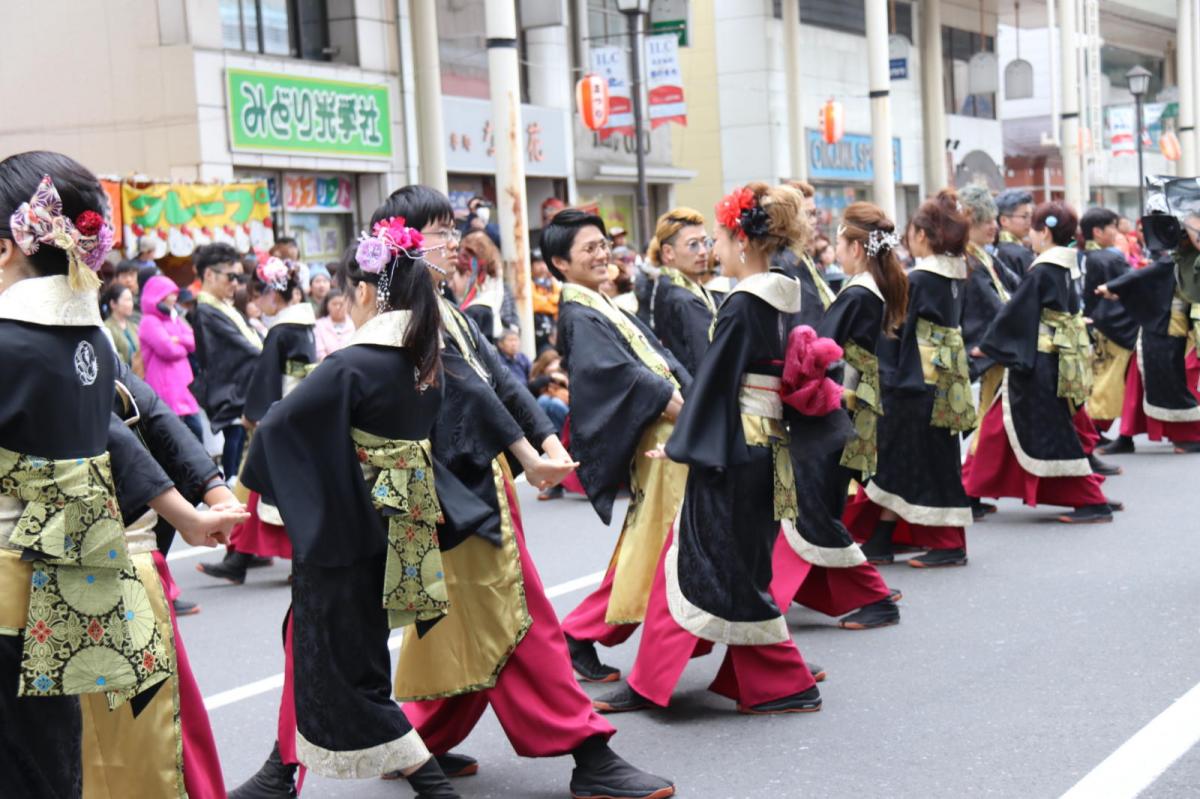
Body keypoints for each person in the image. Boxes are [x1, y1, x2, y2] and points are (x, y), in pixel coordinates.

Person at [344, 187, 673, 799]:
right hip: (447, 499)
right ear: (409, 245)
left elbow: (501, 379)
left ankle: (413, 743)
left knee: (470, 622)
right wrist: (530, 450)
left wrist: (545, 442)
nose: (454, 241)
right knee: (520, 621)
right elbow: (470, 393)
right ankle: (588, 751)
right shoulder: (404, 321)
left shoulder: (450, 310)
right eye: (440, 232)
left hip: (475, 489)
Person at [0, 150, 243, 799]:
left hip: (10, 579)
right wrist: (192, 511)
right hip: (73, 580)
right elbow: (114, 431)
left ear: (5, 248)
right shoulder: (88, 339)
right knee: (51, 758)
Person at [232, 217, 468, 799]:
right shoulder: (422, 360)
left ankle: (431, 784)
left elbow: (277, 427)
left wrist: (262, 493)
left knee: (346, 670)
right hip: (402, 525)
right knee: (330, 649)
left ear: (364, 291)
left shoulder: (353, 363)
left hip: (351, 526)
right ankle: (280, 768)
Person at [592, 183, 826, 717]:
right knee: (734, 565)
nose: (715, 248)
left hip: (736, 444)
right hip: (765, 442)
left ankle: (665, 683)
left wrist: (682, 444)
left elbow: (718, 378)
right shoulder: (783, 292)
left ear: (742, 240)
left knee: (694, 562)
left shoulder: (744, 302)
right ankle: (772, 680)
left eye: (719, 237)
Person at [551, 209, 693, 683]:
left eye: (602, 246)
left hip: (671, 428)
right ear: (560, 263)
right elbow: (620, 375)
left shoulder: (597, 303)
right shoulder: (578, 312)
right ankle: (580, 633)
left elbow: (656, 356)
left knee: (661, 544)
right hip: (662, 437)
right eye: (588, 249)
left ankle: (584, 634)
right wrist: (678, 406)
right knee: (661, 545)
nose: (601, 254)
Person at [768, 202, 908, 630]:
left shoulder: (858, 292)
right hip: (855, 399)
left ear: (856, 248)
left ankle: (875, 595)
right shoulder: (880, 286)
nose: (838, 251)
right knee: (819, 501)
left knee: (813, 505)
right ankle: (806, 587)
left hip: (832, 403)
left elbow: (821, 350)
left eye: (843, 243)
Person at [962, 202, 1120, 524]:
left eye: (1034, 229)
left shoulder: (1043, 267)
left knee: (1031, 432)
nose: (1031, 236)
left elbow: (1017, 311)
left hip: (1037, 363)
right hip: (1053, 358)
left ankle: (1092, 500)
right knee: (999, 428)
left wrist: (990, 346)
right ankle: (968, 493)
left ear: (1044, 232)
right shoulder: (1066, 264)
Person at [843, 190, 976, 568]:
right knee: (920, 460)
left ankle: (946, 542)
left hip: (916, 382)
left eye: (913, 232)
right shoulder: (956, 275)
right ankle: (884, 538)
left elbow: (898, 331)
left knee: (910, 460)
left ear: (923, 234)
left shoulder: (918, 279)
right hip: (945, 380)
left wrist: (881, 374)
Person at [199, 257, 316, 585]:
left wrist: (253, 414)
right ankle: (240, 558)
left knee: (262, 487)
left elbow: (267, 377)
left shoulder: (281, 329)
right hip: (298, 414)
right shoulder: (305, 324)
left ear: (273, 295)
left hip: (280, 416)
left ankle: (248, 559)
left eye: (258, 294)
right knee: (256, 488)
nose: (255, 301)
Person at [1095, 203, 1200, 454]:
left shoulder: (1186, 260)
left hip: (1179, 331)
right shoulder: (1176, 260)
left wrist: (1115, 287)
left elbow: (1143, 277)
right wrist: (1115, 287)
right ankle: (1128, 434)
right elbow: (1144, 277)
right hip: (1162, 329)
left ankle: (1185, 435)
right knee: (1141, 382)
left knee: (1173, 383)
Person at [958, 185, 1023, 518]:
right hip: (989, 351)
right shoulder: (968, 261)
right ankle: (968, 485)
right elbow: (995, 309)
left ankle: (974, 485)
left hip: (997, 349)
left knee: (991, 422)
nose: (994, 227)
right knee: (988, 421)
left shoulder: (983, 256)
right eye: (987, 222)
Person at [191, 242, 261, 480]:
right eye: (231, 277)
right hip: (235, 396)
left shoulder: (221, 307)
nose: (236, 283)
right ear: (209, 274)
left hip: (243, 393)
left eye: (238, 277)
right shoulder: (205, 312)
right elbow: (241, 351)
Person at [1078, 208, 1141, 450]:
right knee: (1110, 381)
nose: (1116, 232)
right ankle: (1095, 430)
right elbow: (1131, 286)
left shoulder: (1086, 257)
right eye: (1112, 227)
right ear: (1097, 231)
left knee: (1103, 378)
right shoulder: (1109, 258)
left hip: (1098, 325)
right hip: (1115, 328)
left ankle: (1097, 430)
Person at [645, 207, 718, 376]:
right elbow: (706, 363)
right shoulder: (684, 299)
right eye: (693, 245)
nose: (703, 251)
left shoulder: (666, 286)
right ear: (668, 252)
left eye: (705, 242)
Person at [139, 275, 204, 441]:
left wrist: (178, 340)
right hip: (166, 387)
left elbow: (194, 340)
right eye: (170, 293)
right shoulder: (149, 321)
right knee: (179, 438)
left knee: (196, 432)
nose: (174, 297)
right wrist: (183, 347)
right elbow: (167, 349)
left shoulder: (175, 318)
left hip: (184, 386)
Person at [774, 180, 836, 327]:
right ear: (788, 218)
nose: (814, 221)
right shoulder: (784, 262)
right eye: (807, 214)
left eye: (815, 213)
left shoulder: (801, 256)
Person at [994, 189, 1036, 279]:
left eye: (1031, 216)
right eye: (1024, 216)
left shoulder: (993, 249)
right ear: (1004, 220)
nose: (1030, 221)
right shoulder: (1021, 254)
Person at [102, 281, 142, 373]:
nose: (131, 304)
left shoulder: (134, 326)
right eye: (127, 300)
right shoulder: (107, 329)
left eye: (131, 300)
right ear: (113, 304)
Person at [531, 248, 561, 351]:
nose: (542, 266)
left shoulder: (553, 282)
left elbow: (560, 300)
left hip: (555, 326)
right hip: (539, 330)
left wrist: (548, 301)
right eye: (538, 263)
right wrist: (551, 303)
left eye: (544, 262)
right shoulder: (529, 283)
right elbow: (536, 304)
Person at [314, 287, 355, 359]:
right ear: (327, 305)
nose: (338, 307)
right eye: (334, 304)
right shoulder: (319, 325)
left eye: (341, 304)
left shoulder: (354, 323)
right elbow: (319, 352)